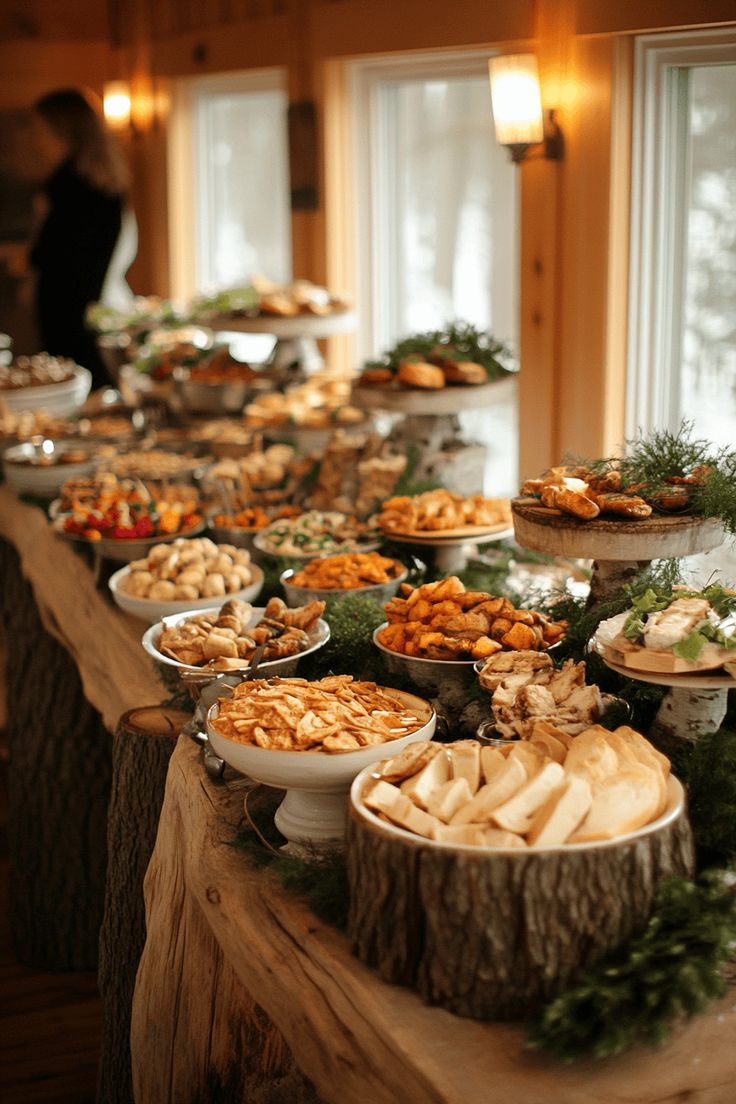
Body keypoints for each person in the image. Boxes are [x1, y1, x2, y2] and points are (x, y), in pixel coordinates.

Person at [29, 87, 136, 389]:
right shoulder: (102, 184)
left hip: (73, 318)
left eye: (41, 131)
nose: (37, 142)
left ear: (63, 131)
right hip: (88, 314)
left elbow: (52, 255)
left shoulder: (70, 186)